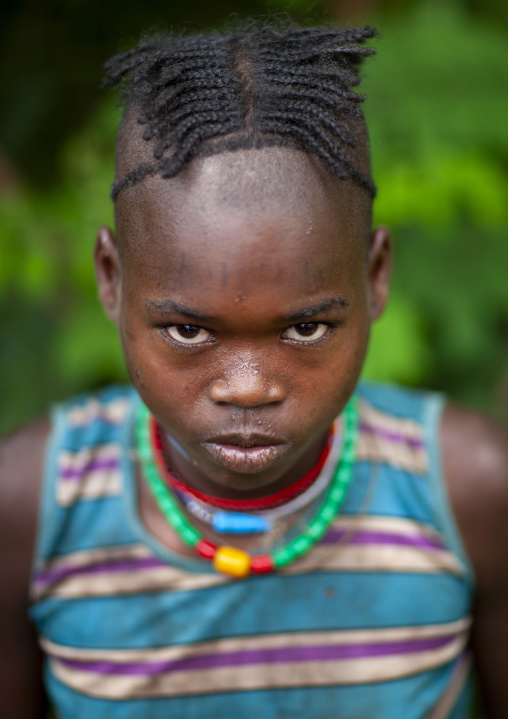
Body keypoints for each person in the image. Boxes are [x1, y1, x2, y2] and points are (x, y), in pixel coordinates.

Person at [1, 21, 507, 719]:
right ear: (111, 278)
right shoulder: (31, 507)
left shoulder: (468, 492)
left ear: (375, 276)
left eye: (304, 328)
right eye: (187, 329)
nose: (247, 386)